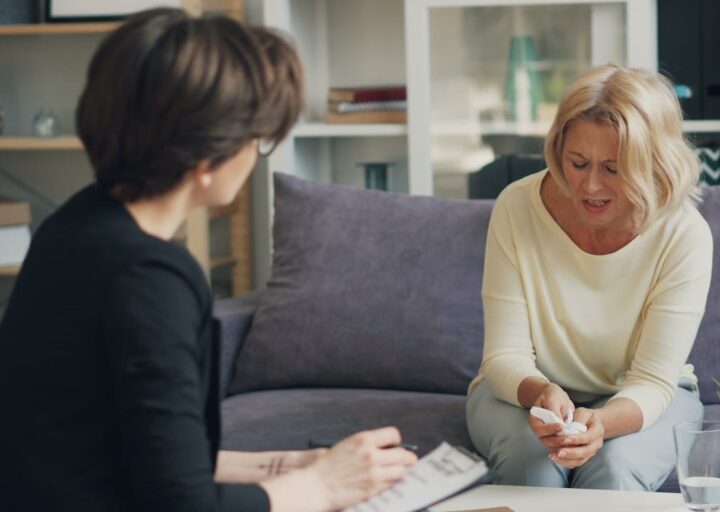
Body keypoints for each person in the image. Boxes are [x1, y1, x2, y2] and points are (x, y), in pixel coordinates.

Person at [0, 8, 416, 511]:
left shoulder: (74, 225)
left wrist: (299, 467)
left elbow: (145, 456)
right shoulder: (149, 278)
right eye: (256, 137)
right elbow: (183, 503)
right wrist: (323, 489)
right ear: (205, 158)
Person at [465, 64, 713, 490]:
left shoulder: (684, 233)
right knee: (533, 464)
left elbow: (653, 382)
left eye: (613, 169)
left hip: (645, 397)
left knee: (613, 470)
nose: (590, 187)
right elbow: (503, 356)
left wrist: (601, 423)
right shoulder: (516, 207)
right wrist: (540, 392)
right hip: (525, 394)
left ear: (654, 164)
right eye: (578, 163)